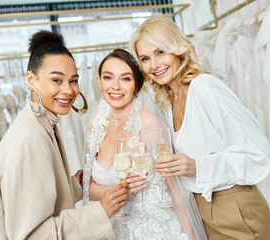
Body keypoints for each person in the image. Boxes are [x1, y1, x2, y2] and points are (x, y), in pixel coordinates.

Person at [129, 16, 270, 240]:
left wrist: (197, 166)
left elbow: (259, 154)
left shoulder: (205, 88)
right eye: (145, 58)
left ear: (177, 49)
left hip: (233, 210)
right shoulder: (168, 102)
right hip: (201, 211)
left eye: (160, 52)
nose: (154, 65)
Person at [0, 31, 128, 240]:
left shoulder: (42, 123)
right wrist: (100, 213)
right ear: (31, 80)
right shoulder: (30, 139)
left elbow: (39, 197)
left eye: (73, 80)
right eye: (57, 80)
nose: (68, 90)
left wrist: (74, 186)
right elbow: (31, 236)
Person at [82, 48, 207, 240]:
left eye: (125, 79)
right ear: (99, 82)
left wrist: (191, 236)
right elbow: (87, 188)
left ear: (136, 85)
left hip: (154, 231)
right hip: (112, 231)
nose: (115, 86)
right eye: (108, 78)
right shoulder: (94, 129)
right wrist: (123, 190)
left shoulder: (148, 123)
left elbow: (175, 189)